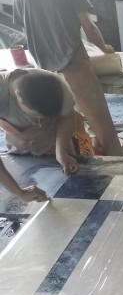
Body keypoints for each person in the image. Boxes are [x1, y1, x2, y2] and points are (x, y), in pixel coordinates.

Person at [13, 0, 122, 157]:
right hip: (74, 65)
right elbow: (89, 26)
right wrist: (105, 48)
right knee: (102, 124)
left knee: (70, 124)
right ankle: (119, 167)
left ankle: (84, 160)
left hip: (44, 73)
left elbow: (28, 33)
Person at [0, 68, 81, 202]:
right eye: (35, 116)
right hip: (19, 142)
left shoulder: (56, 86)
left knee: (74, 191)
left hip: (54, 137)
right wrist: (20, 192)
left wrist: (61, 152)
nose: (38, 122)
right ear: (18, 96)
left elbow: (67, 117)